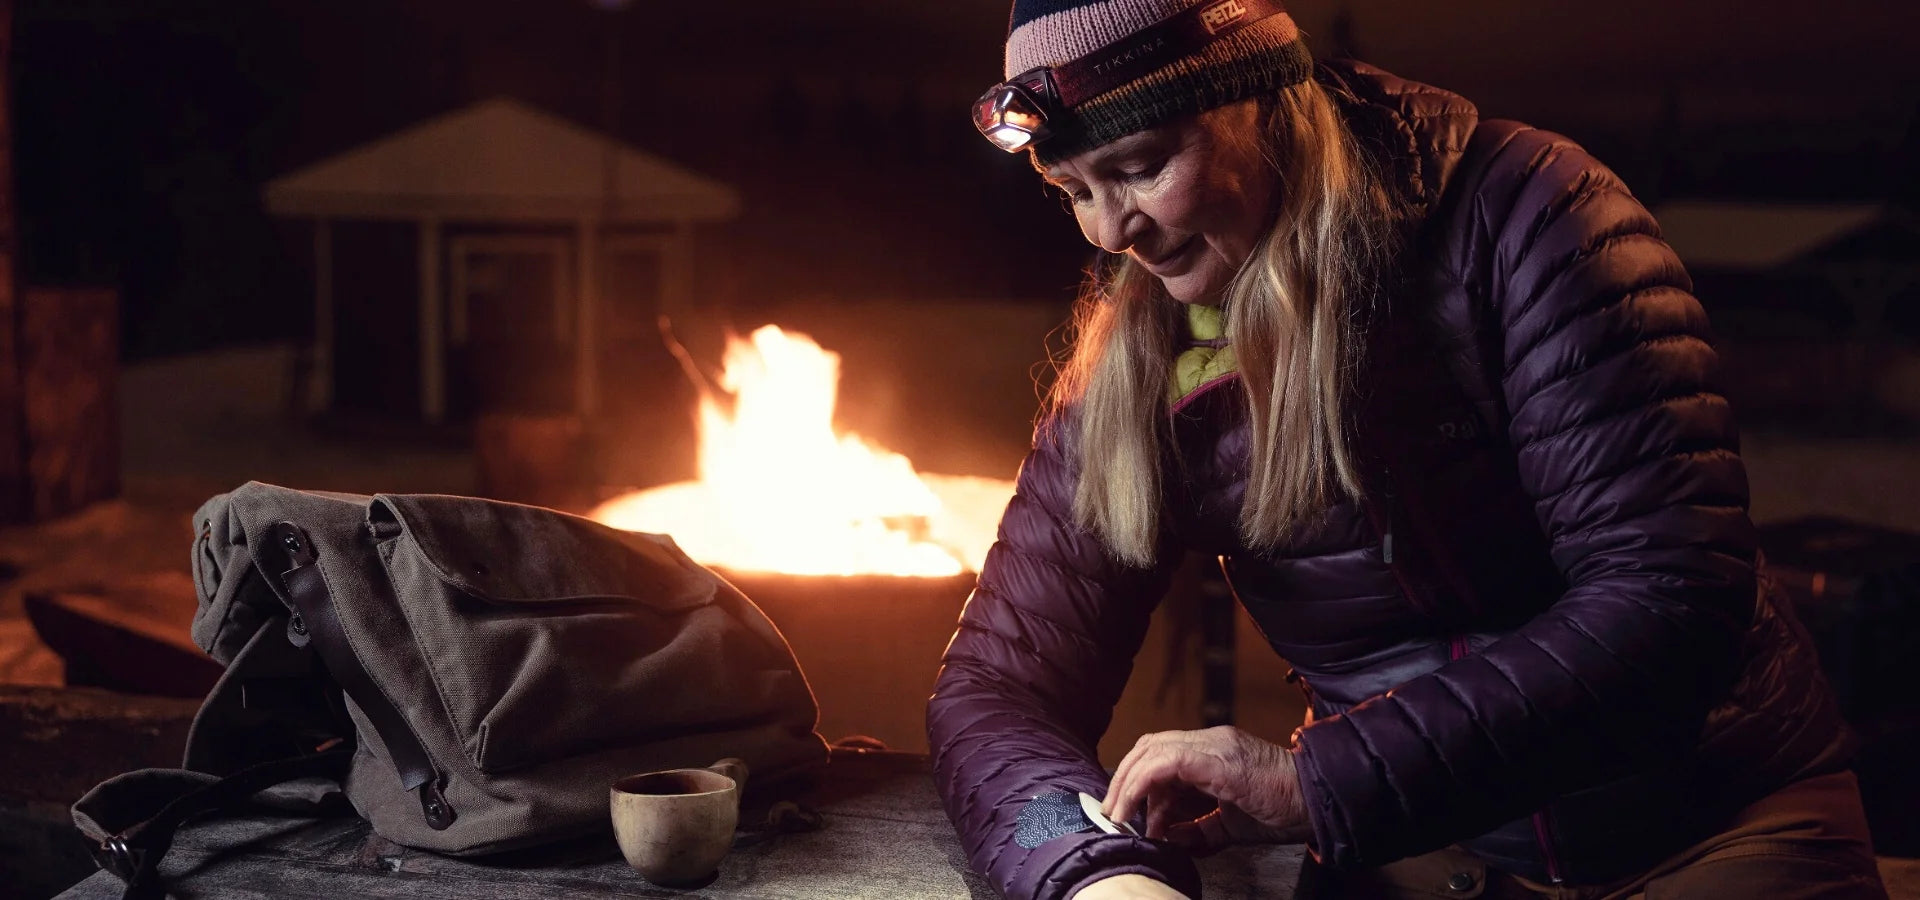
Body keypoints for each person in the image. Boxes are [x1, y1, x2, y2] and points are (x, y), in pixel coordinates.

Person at [926, 1, 1892, 898]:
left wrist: (1316, 784)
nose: (1112, 230)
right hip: (1417, 865)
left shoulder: (1536, 216)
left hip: (1713, 836)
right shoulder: (1145, 356)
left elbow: (1672, 600)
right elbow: (998, 687)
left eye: (1138, 167)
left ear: (1257, 102)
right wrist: (1094, 874)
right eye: (1073, 190)